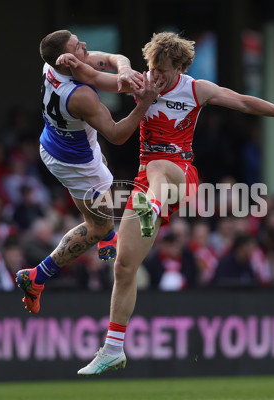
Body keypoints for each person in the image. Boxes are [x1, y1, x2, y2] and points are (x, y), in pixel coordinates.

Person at [59, 31, 274, 375]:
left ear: (180, 67)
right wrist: (72, 62)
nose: (155, 76)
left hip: (181, 175)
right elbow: (96, 73)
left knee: (157, 166)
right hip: (146, 183)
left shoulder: (196, 89)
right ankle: (113, 348)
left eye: (164, 70)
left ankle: (151, 207)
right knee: (123, 267)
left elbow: (244, 102)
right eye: (152, 67)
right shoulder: (139, 83)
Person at [15, 30, 162, 314]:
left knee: (104, 178)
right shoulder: (81, 96)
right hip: (76, 162)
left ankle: (106, 240)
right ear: (66, 61)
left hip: (59, 141)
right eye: (77, 47)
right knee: (99, 225)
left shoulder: (53, 64)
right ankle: (36, 277)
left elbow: (110, 59)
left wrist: (127, 70)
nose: (84, 46)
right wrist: (144, 102)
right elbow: (118, 135)